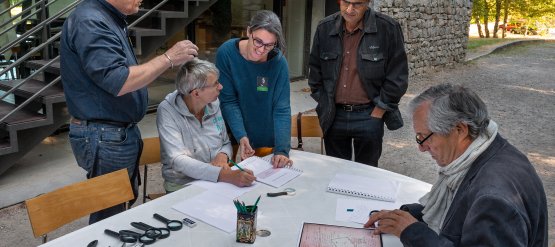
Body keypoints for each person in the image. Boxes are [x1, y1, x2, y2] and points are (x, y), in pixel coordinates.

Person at [60, 0, 198, 224]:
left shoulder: (105, 17)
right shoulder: (91, 21)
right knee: (109, 217)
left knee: (118, 210)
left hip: (113, 133)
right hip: (105, 136)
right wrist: (168, 58)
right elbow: (119, 80)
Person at [364, 84, 548, 246]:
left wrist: (413, 232)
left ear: (459, 130)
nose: (421, 148)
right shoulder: (488, 153)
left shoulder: (493, 199)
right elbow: (457, 210)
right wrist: (406, 216)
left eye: (424, 137)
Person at [308, 0, 408, 167]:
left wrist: (379, 110)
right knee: (336, 173)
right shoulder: (324, 28)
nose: (349, 9)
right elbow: (315, 74)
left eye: (357, 4)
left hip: (369, 115)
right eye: (346, 2)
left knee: (367, 175)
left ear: (368, 2)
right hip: (334, 116)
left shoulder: (387, 28)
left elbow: (398, 76)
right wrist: (325, 103)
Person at [156, 59, 256, 192]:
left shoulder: (213, 102)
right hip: (183, 184)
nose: (220, 87)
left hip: (216, 180)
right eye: (215, 84)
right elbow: (178, 160)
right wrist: (225, 175)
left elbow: (225, 142)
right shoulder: (167, 110)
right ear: (196, 93)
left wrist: (222, 155)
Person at [216, 10, 292, 168]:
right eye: (258, 41)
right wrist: (242, 136)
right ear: (249, 31)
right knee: (228, 181)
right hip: (233, 133)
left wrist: (282, 150)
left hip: (265, 137)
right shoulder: (227, 53)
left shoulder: (279, 63)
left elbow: (282, 109)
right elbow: (229, 101)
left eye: (269, 45)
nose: (262, 49)